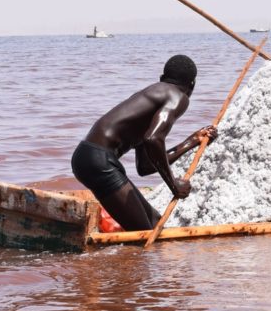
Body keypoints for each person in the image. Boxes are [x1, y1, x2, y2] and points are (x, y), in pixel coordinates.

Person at [71, 54, 217, 231]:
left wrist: (191, 142)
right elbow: (153, 139)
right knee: (144, 232)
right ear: (192, 85)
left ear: (162, 79)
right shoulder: (178, 96)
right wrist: (174, 185)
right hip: (99, 161)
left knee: (155, 221)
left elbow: (145, 167)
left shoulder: (148, 98)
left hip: (87, 157)